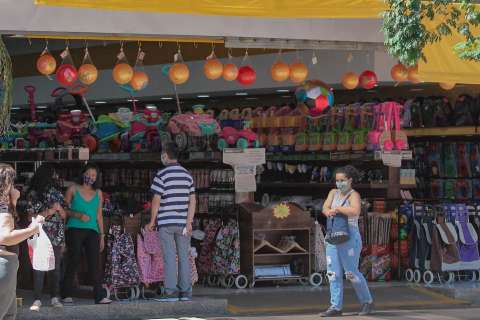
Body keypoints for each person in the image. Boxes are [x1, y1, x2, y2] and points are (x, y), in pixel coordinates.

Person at [320, 165, 373, 317]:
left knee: (351, 272)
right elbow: (325, 207)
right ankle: (335, 306)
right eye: (337, 180)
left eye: (342, 180)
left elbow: (355, 210)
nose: (339, 183)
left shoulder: (353, 195)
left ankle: (367, 301)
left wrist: (337, 209)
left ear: (350, 180)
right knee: (333, 273)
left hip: (350, 236)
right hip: (333, 236)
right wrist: (327, 211)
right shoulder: (333, 192)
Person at [146, 143, 196, 302]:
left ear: (166, 155)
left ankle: (170, 292)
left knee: (169, 257)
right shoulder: (187, 175)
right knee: (183, 256)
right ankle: (185, 292)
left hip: (166, 222)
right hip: (182, 223)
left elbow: (156, 200)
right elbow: (193, 200)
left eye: (163, 154)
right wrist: (189, 222)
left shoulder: (161, 175)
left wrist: (152, 221)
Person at [62, 163, 111, 305]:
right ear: (83, 173)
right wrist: (76, 214)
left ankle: (99, 296)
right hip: (74, 228)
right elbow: (63, 211)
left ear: (97, 178)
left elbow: (99, 216)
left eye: (94, 175)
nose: (91, 177)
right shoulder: (73, 189)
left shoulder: (99, 193)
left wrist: (102, 236)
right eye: (88, 174)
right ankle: (66, 294)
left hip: (93, 230)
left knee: (95, 263)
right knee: (74, 259)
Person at [0, 163, 44, 320]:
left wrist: (13, 200)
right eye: (12, 182)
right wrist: (33, 229)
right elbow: (5, 236)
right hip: (3, 265)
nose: (15, 186)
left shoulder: (6, 205)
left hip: (6, 265)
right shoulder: (2, 206)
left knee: (9, 315)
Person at [26, 164, 67, 311]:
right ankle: (37, 299)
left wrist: (59, 208)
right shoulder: (34, 193)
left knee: (54, 268)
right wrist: (49, 211)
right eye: (53, 174)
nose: (56, 177)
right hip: (40, 233)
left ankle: (55, 297)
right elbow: (31, 215)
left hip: (56, 235)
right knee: (39, 266)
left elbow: (64, 215)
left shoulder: (56, 192)